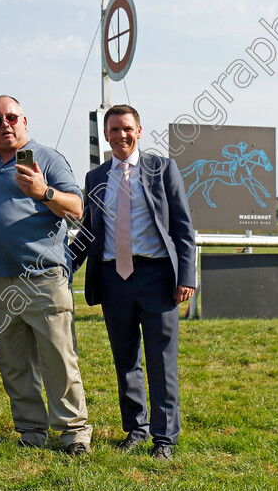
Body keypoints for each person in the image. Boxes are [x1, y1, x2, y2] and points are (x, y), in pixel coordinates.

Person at [70, 104, 196, 461]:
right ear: (106, 135)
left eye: (127, 128)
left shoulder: (162, 168)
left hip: (157, 278)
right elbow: (88, 232)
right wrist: (64, 264)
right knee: (125, 360)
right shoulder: (95, 178)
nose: (120, 135)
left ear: (139, 131)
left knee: (160, 360)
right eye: (113, 130)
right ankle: (136, 430)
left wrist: (187, 275)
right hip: (114, 280)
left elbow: (184, 228)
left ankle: (164, 439)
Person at [0, 95, 93, 456]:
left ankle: (74, 435)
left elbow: (77, 209)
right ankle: (30, 431)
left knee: (58, 359)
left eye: (11, 117)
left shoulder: (49, 158)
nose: (5, 124)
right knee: (13, 365)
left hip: (42, 277)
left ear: (25, 120)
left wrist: (44, 191)